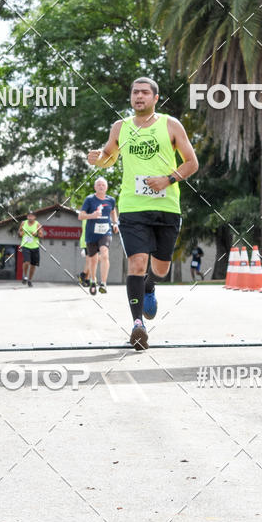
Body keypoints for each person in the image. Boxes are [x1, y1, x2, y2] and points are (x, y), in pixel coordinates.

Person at [87, 76, 199, 350]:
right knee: (136, 264)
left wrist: (168, 180)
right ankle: (138, 325)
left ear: (155, 98)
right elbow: (109, 157)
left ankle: (150, 286)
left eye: (145, 93)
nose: (139, 96)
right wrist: (97, 159)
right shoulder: (120, 127)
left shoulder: (170, 125)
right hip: (133, 207)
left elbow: (191, 163)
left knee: (160, 268)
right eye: (135, 92)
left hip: (166, 207)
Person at [78, 177, 119, 295]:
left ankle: (104, 283)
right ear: (95, 187)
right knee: (93, 259)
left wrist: (115, 223)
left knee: (104, 254)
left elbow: (113, 211)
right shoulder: (90, 200)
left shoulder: (111, 200)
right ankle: (92, 280)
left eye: (103, 185)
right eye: (99, 185)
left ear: (106, 187)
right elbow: (80, 216)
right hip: (91, 234)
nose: (101, 187)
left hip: (105, 233)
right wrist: (92, 215)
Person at [18, 211, 44, 287]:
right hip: (25, 246)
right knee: (27, 262)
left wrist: (36, 234)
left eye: (32, 216)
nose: (30, 217)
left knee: (33, 265)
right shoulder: (23, 223)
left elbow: (41, 235)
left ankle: (29, 280)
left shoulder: (37, 224)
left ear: (35, 217)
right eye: (29, 216)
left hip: (35, 246)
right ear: (27, 217)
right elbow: (19, 231)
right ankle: (25, 276)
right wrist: (20, 233)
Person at [77, 219, 90, 287]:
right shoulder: (87, 217)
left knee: (92, 260)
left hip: (89, 240)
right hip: (87, 240)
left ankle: (87, 279)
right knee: (90, 260)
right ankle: (83, 275)